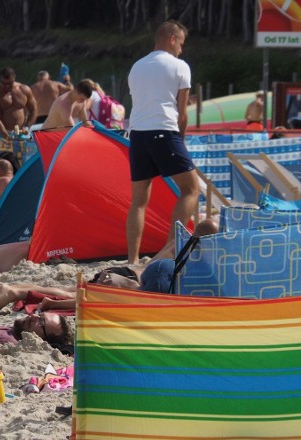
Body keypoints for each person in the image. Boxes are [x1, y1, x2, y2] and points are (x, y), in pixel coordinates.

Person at [126, 20, 199, 265]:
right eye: (181, 43)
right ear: (171, 38)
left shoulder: (137, 66)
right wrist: (182, 141)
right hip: (164, 132)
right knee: (191, 189)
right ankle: (168, 251)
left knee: (138, 201)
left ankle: (133, 259)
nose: (181, 49)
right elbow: (183, 112)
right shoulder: (180, 66)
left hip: (137, 135)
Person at [0, 312, 74, 351]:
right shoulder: (13, 332)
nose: (33, 316)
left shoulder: (8, 342)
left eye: (41, 321)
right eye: (40, 314)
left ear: (42, 341)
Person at [0, 67, 37, 140]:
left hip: (21, 132)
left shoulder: (24, 90)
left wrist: (27, 126)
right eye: (4, 83)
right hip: (1, 134)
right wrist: (5, 135)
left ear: (14, 78)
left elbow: (33, 109)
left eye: (10, 83)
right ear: (0, 80)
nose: (7, 86)